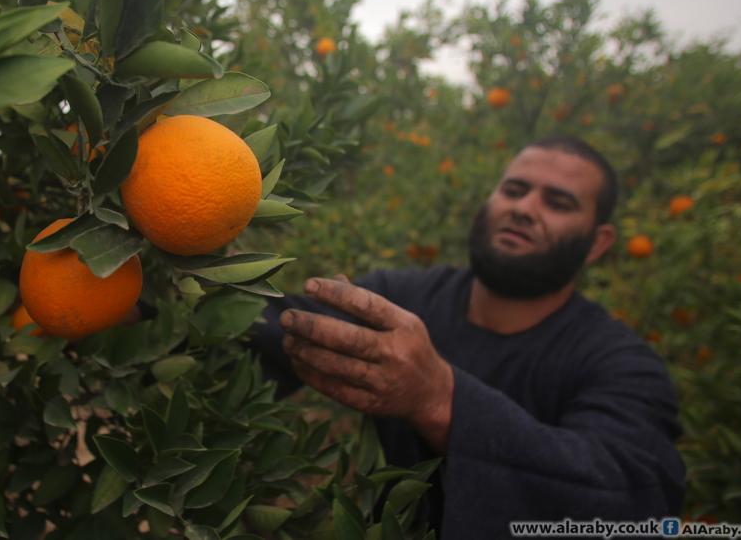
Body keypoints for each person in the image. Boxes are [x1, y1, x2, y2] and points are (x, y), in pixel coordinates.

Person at [251, 135, 686, 538]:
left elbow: (631, 498)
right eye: (514, 190)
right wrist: (198, 280)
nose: (525, 208)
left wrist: (441, 400)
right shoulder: (405, 300)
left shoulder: (621, 364)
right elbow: (274, 328)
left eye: (558, 202)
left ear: (597, 243)